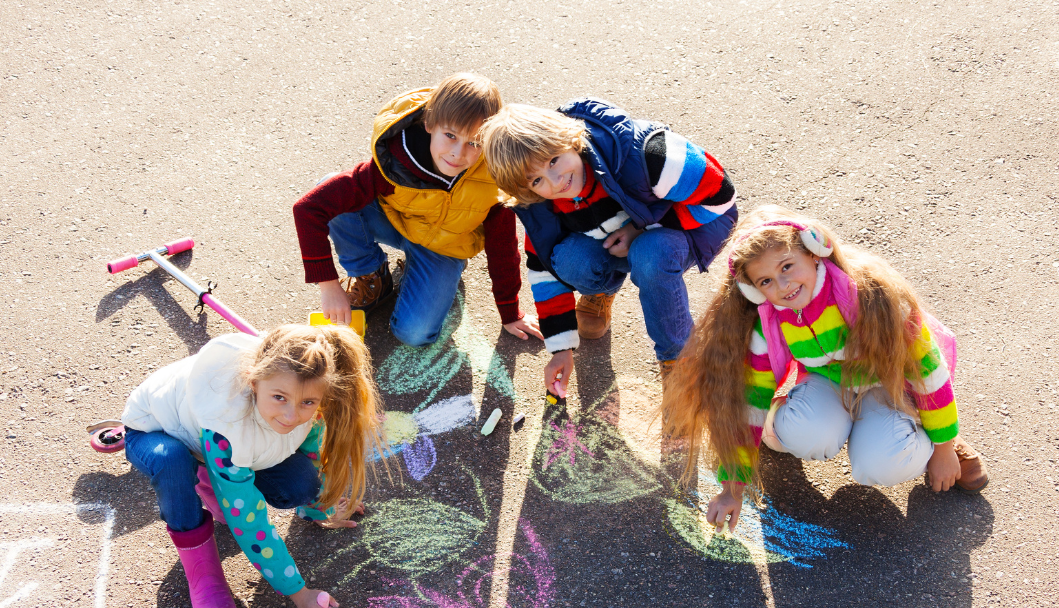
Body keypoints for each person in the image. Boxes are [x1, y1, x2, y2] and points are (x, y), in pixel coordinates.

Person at [662, 206, 989, 532]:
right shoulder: (770, 321)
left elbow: (928, 372)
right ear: (753, 290)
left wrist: (944, 447)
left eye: (787, 266)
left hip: (890, 385)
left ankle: (936, 436)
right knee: (801, 434)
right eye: (766, 280)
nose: (783, 284)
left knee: (879, 464)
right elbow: (752, 397)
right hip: (827, 381)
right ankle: (782, 422)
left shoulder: (874, 296)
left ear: (815, 252)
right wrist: (733, 487)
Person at [121, 325, 381, 608]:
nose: (291, 414)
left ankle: (213, 475)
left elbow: (311, 454)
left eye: (307, 403)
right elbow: (248, 521)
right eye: (279, 397)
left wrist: (319, 505)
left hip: (221, 442)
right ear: (254, 383)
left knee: (300, 483)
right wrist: (298, 593)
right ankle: (204, 575)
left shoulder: (308, 397)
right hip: (154, 431)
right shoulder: (227, 429)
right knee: (173, 462)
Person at [480, 99, 738, 396]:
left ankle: (680, 362)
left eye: (553, 160)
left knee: (650, 254)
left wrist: (640, 227)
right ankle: (603, 289)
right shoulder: (542, 203)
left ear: (568, 138)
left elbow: (721, 195)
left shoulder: (647, 155)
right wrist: (561, 349)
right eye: (537, 179)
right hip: (619, 235)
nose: (556, 181)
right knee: (566, 258)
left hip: (694, 224)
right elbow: (544, 269)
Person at [293, 73, 539, 345]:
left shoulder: (494, 176)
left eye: (474, 143)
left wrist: (510, 311)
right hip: (397, 221)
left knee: (414, 334)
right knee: (330, 189)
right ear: (429, 123)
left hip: (445, 247)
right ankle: (371, 275)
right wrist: (328, 285)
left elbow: (503, 244)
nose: (458, 153)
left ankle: (434, 274)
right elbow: (308, 209)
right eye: (450, 135)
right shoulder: (396, 159)